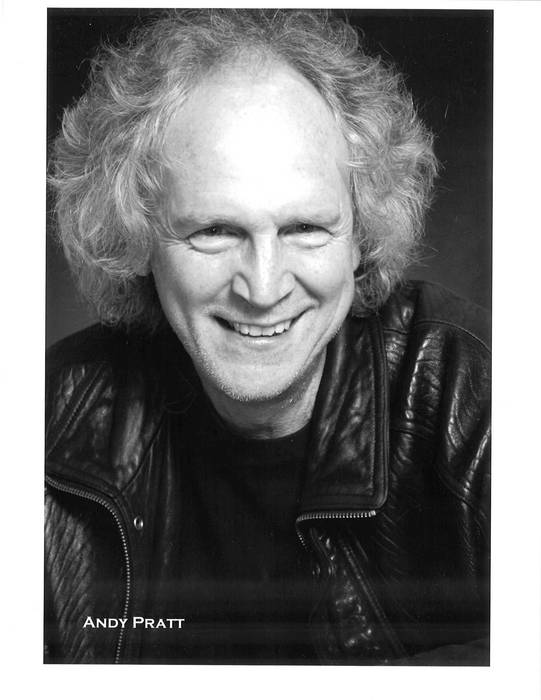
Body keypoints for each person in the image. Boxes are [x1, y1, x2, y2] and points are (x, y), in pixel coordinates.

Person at [45, 9, 490, 665]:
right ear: (136, 237)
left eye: (305, 228)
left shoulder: (475, 391)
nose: (262, 286)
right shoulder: (46, 420)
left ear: (360, 235)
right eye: (213, 231)